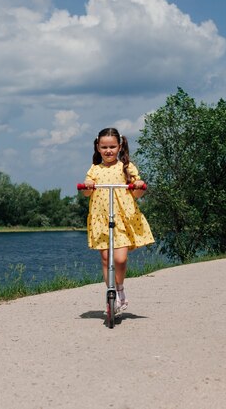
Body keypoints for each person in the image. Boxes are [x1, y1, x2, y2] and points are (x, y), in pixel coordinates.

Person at [81, 127, 155, 314]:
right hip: (101, 217)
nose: (108, 151)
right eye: (104, 147)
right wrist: (87, 186)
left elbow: (137, 193)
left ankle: (120, 289)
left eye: (112, 147)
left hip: (122, 217)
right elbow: (87, 192)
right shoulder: (94, 169)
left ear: (119, 147)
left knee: (120, 259)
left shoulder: (126, 167)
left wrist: (138, 185)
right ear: (98, 147)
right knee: (106, 258)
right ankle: (110, 292)